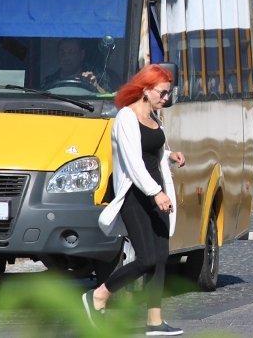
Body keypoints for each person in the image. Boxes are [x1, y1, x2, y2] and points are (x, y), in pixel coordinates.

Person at [86, 64, 186, 336]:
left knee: (161, 257)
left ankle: (154, 321)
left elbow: (150, 153)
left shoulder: (154, 115)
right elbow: (132, 163)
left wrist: (170, 156)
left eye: (168, 93)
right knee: (146, 258)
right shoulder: (126, 118)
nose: (166, 98)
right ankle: (99, 295)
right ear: (145, 89)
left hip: (158, 192)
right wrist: (155, 192)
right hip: (137, 195)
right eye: (163, 92)